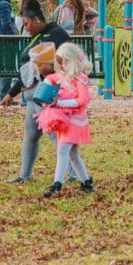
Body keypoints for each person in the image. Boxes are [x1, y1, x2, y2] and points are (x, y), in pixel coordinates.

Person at [36, 42, 96, 197]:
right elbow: (52, 77)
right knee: (73, 154)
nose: (61, 67)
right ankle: (86, 181)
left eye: (64, 63)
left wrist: (60, 103)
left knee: (63, 151)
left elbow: (83, 100)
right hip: (65, 120)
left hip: (76, 120)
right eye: (59, 63)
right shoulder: (64, 76)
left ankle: (57, 184)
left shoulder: (80, 79)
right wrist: (47, 84)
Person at [0, 41, 57, 183]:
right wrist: (10, 94)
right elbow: (22, 80)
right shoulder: (30, 62)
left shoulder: (47, 69)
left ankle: (74, 173)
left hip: (41, 100)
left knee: (55, 136)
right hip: (32, 101)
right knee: (31, 135)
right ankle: (24, 174)